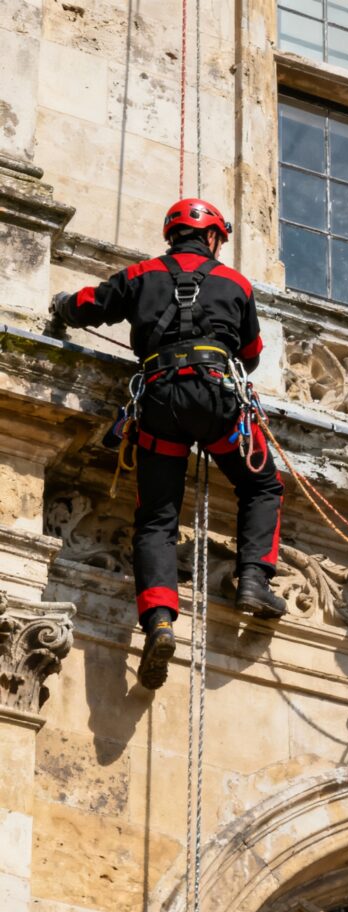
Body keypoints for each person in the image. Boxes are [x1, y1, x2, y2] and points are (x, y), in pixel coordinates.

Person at [50, 198, 286, 689]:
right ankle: (254, 581)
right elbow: (252, 354)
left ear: (170, 236)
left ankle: (158, 619)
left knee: (157, 518)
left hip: (160, 403)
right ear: (215, 237)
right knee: (262, 484)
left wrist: (60, 308)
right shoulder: (236, 283)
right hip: (217, 402)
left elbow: (91, 305)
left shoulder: (141, 274)